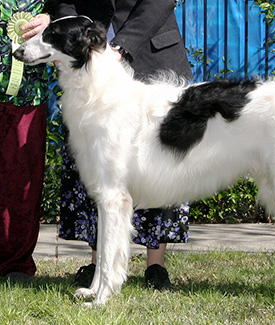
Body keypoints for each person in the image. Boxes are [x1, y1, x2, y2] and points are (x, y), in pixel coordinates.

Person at [48, 0, 193, 290]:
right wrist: (68, 39)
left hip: (152, 54)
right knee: (96, 167)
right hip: (88, 63)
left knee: (159, 163)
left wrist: (122, 46)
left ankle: (156, 266)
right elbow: (62, 2)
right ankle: (99, 264)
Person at [0, 1, 51, 281]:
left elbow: (69, 7)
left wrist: (51, 17)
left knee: (21, 172)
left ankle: (16, 263)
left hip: (27, 85)